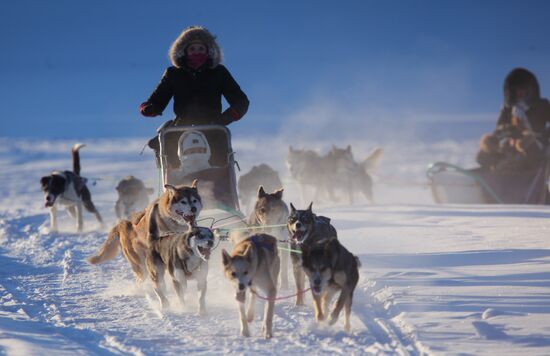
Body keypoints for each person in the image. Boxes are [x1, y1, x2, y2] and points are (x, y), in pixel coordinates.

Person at [140, 26, 249, 167]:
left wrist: (226, 117)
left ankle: (223, 187)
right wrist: (150, 108)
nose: (197, 52)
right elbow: (157, 100)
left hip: (213, 128)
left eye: (201, 49)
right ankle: (175, 187)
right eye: (192, 49)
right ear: (183, 51)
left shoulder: (219, 72)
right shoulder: (173, 74)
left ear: (209, 51)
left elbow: (240, 101)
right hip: (180, 129)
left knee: (219, 165)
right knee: (171, 157)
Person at [476, 68, 550, 171]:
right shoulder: (508, 109)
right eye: (517, 91)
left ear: (531, 90)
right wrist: (493, 141)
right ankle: (482, 180)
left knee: (528, 146)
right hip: (511, 149)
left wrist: (543, 134)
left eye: (523, 90)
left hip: (537, 151)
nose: (520, 94)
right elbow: (499, 129)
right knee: (485, 154)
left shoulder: (542, 106)